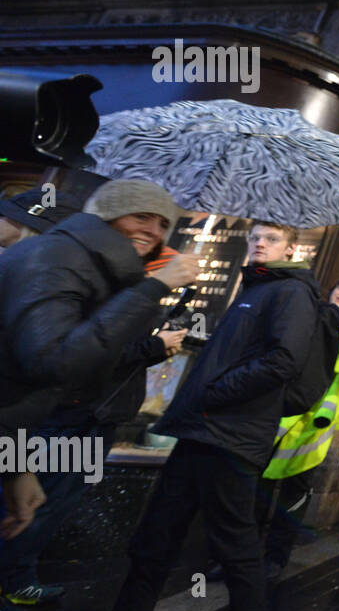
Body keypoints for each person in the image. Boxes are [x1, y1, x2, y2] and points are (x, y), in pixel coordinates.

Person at [107, 221, 320, 611]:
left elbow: (284, 360)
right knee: (154, 543)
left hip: (231, 438)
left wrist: (216, 391)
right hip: (200, 431)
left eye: (272, 239)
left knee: (237, 551)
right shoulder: (255, 288)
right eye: (255, 237)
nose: (260, 244)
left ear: (291, 249)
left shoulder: (291, 291)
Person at [0, 180, 197, 540]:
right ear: (108, 214)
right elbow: (55, 362)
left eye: (163, 223)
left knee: (46, 516)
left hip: (88, 417)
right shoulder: (60, 258)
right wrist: (153, 292)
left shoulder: (105, 272)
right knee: (37, 523)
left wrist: (16, 468)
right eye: (141, 216)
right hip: (77, 418)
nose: (153, 231)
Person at [0, 241, 187, 611]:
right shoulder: (107, 296)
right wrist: (153, 346)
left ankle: (18, 576)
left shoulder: (124, 297)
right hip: (81, 416)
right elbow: (93, 355)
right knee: (44, 500)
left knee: (54, 499)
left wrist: (156, 346)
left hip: (99, 417)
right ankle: (14, 581)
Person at [256, 276, 339, 578]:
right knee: (258, 488)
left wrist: (338, 325)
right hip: (280, 412)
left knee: (294, 492)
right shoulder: (309, 315)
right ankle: (241, 555)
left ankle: (275, 557)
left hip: (313, 422)